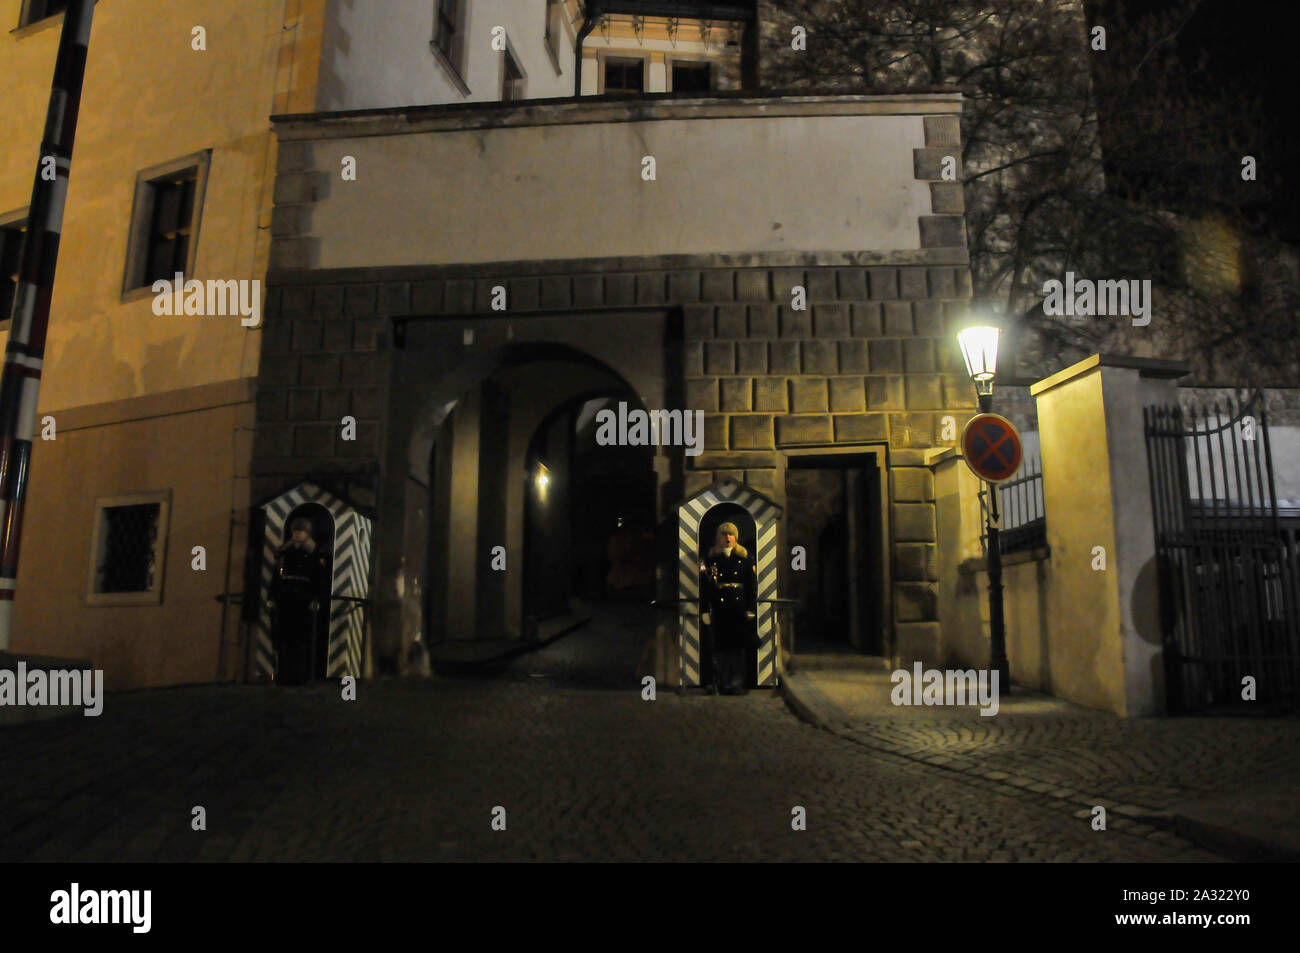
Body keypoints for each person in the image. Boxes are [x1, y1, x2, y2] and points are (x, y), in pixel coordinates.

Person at [269, 517, 330, 685]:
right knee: (284, 640)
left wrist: (316, 598)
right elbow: (277, 576)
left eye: (301, 531)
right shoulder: (285, 553)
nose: (297, 534)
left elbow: (319, 578)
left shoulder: (314, 553)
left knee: (301, 641)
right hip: (286, 600)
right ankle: (284, 676)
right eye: (296, 531)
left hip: (303, 600)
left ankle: (301, 676)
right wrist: (272, 597)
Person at [699, 522, 758, 695]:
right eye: (724, 534)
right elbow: (705, 586)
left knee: (738, 649)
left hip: (738, 609)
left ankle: (737, 683)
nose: (727, 538)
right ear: (719, 537)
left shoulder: (745, 559)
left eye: (731, 534)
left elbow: (750, 586)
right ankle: (722, 682)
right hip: (719, 608)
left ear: (736, 537)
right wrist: (704, 610)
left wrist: (750, 608)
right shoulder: (711, 559)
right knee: (721, 649)